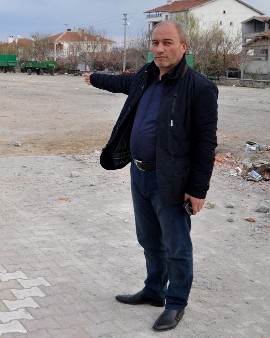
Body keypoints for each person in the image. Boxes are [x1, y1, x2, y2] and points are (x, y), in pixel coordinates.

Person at [83, 20, 218, 331]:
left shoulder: (199, 88)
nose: (159, 49)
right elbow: (118, 82)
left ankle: (175, 304)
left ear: (184, 47)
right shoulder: (144, 77)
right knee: (148, 239)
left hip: (171, 181)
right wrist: (93, 78)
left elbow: (206, 143)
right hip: (140, 174)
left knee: (176, 245)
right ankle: (154, 291)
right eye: (155, 43)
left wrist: (198, 190)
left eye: (167, 42)